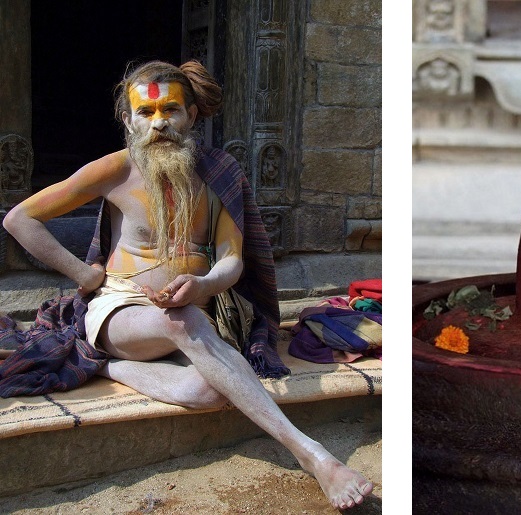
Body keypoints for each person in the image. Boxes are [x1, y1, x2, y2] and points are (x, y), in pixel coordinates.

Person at [2, 60, 373, 510]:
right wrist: (83, 275)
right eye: (146, 113)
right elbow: (20, 218)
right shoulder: (114, 169)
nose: (159, 123)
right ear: (128, 120)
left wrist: (204, 283)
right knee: (182, 322)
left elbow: (234, 259)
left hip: (197, 307)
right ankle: (314, 455)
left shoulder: (218, 173)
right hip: (121, 311)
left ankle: (101, 366)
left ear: (192, 116)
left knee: (210, 391)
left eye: (171, 110)